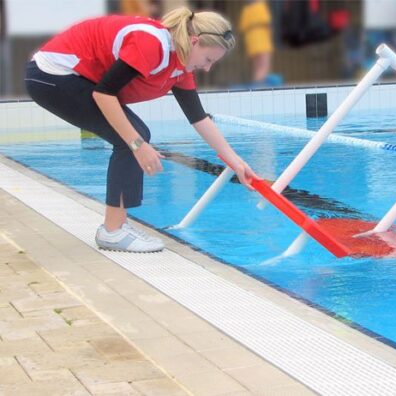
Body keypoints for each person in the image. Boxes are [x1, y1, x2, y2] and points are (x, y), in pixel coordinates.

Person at [25, 7, 259, 253]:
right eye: (208, 59)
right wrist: (137, 146)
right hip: (52, 74)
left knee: (135, 134)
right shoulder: (152, 44)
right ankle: (113, 232)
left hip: (73, 78)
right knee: (133, 138)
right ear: (194, 42)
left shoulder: (180, 65)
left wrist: (236, 163)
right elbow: (104, 94)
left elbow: (198, 118)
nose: (207, 68)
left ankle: (116, 227)